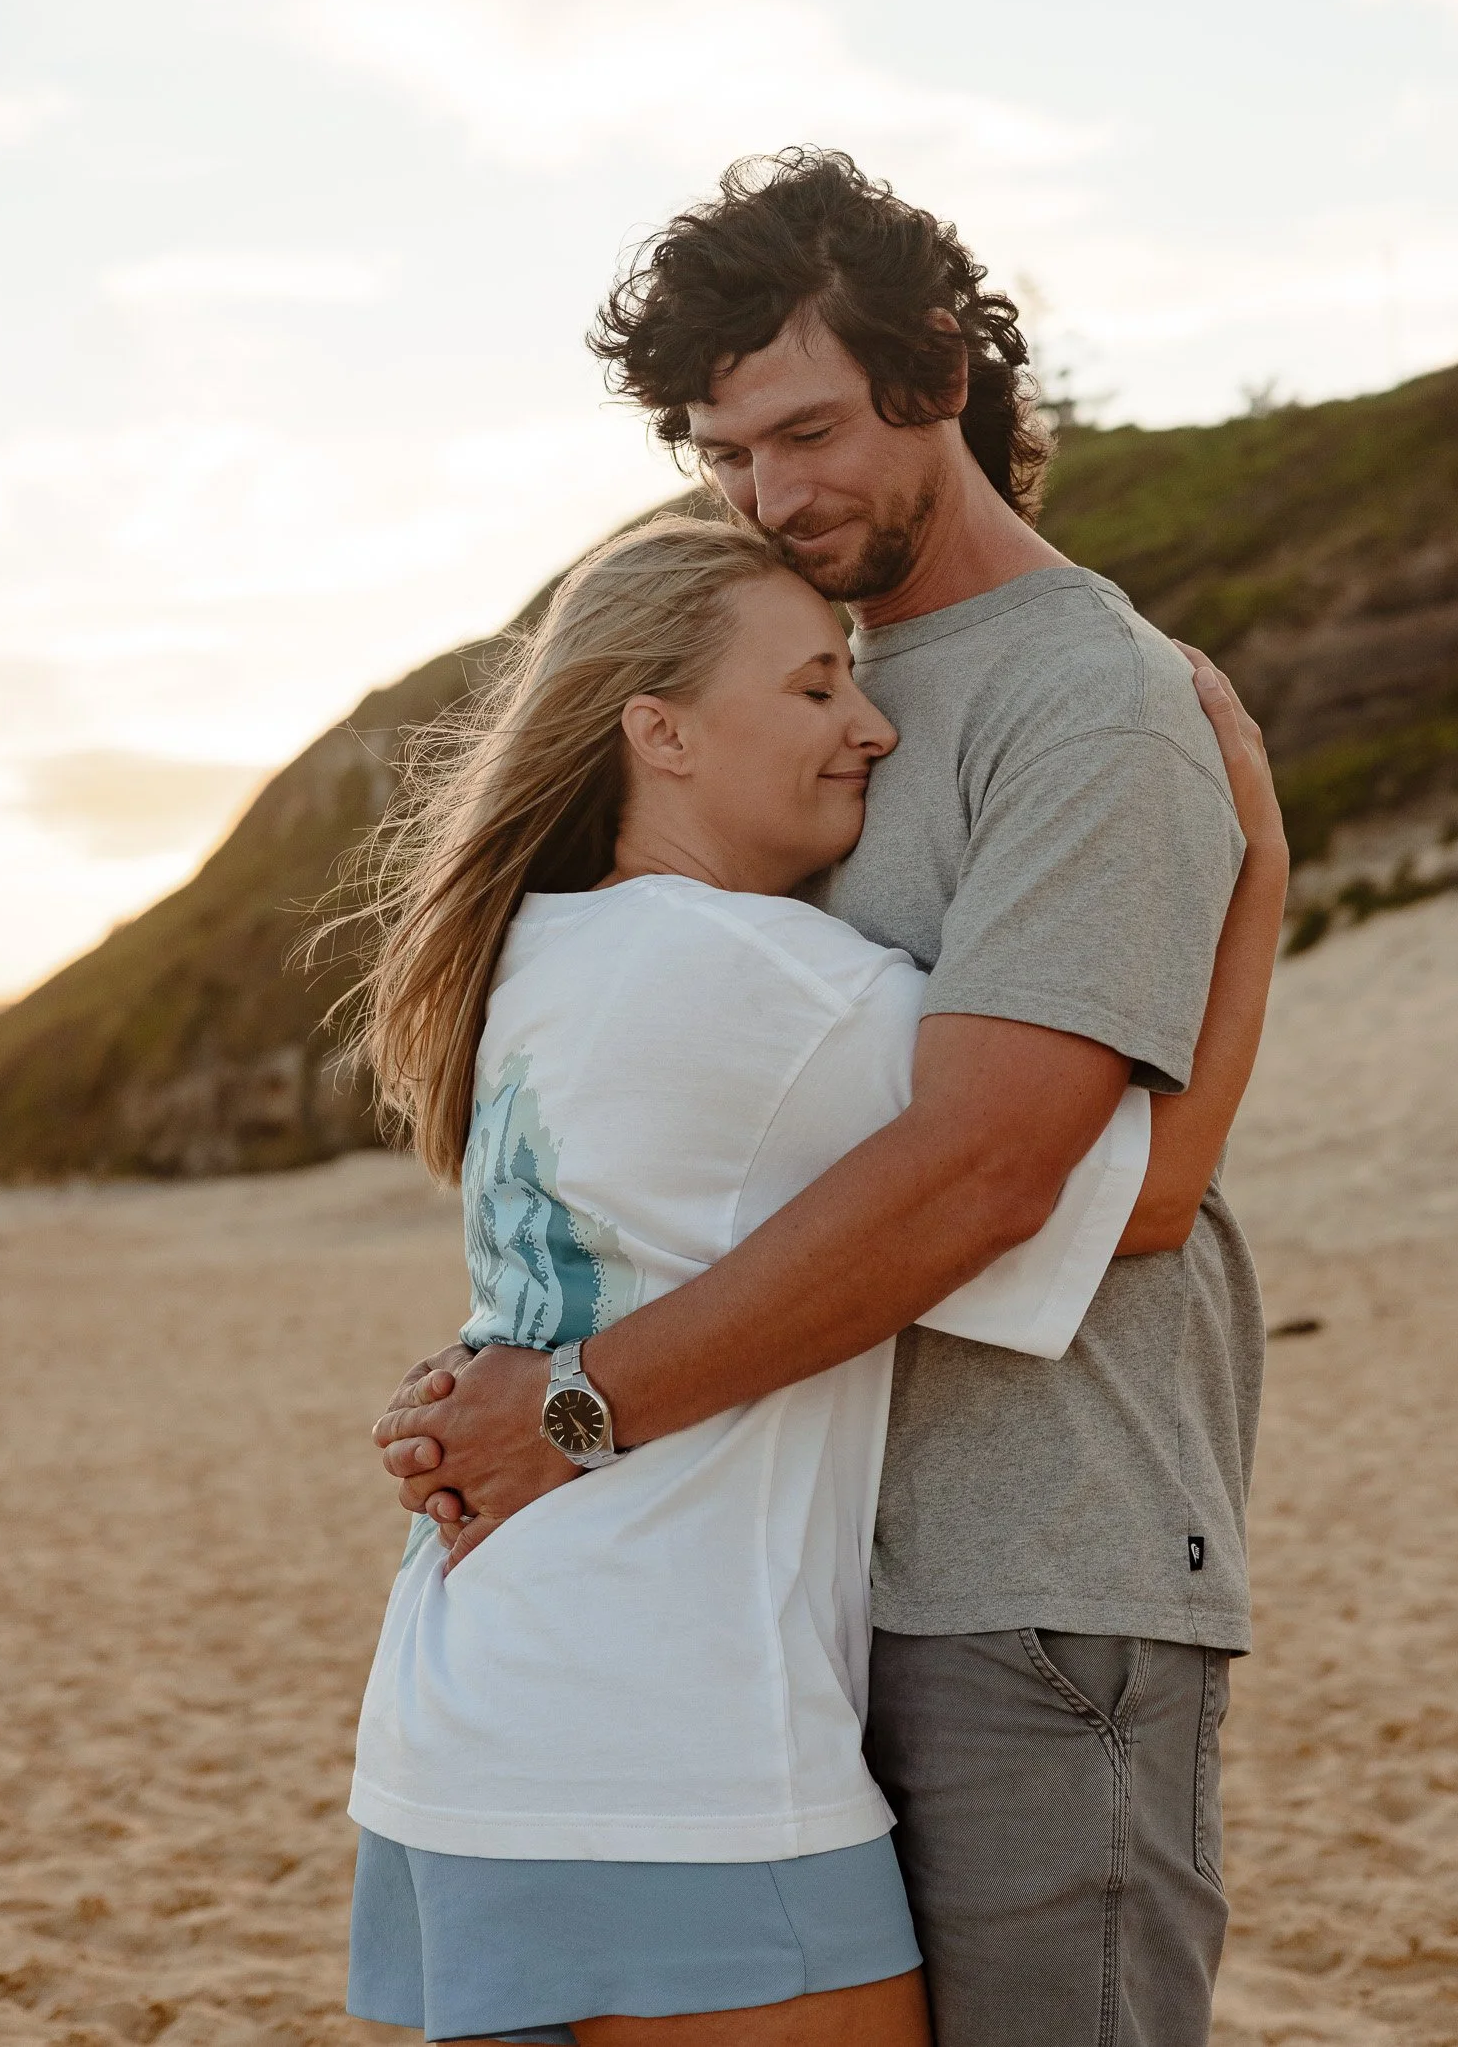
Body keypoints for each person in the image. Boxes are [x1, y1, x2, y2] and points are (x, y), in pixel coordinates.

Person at [376, 151, 1289, 2047]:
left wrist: (571, 1402)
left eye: (801, 431)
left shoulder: (1088, 705)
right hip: (778, 1578)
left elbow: (993, 1172)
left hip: (1026, 1570)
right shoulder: (806, 674)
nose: (771, 497)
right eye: (725, 457)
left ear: (935, 369)